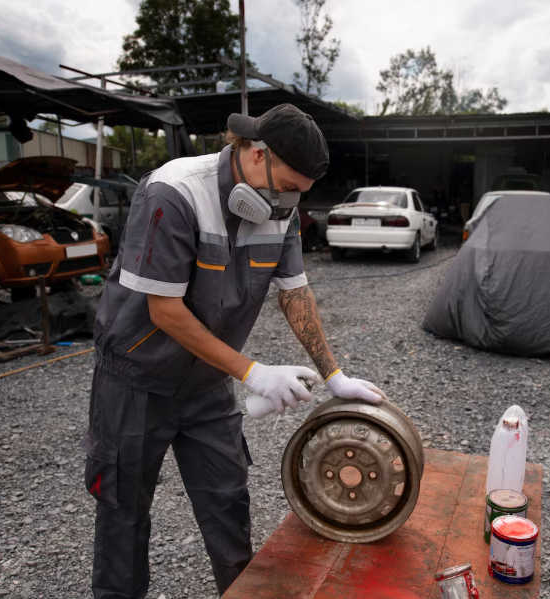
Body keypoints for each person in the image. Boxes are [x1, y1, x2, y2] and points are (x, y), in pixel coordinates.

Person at [81, 103, 386, 599]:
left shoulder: (280, 208)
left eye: (298, 193)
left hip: (205, 384)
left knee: (228, 505)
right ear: (255, 152)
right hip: (135, 382)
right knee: (123, 514)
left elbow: (295, 292)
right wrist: (254, 373)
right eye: (286, 184)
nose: (288, 200)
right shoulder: (174, 192)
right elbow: (165, 312)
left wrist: (333, 375)